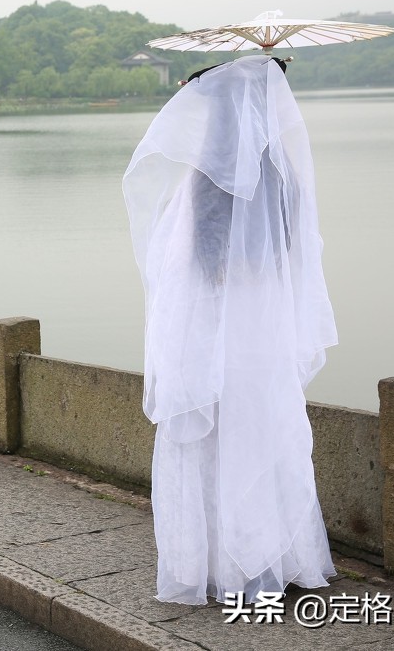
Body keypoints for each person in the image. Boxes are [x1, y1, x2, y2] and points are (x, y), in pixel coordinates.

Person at [123, 55, 337, 605]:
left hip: (215, 326)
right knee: (263, 438)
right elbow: (295, 256)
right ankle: (274, 558)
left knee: (212, 445)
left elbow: (185, 269)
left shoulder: (205, 181)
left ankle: (215, 562)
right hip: (263, 329)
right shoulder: (284, 173)